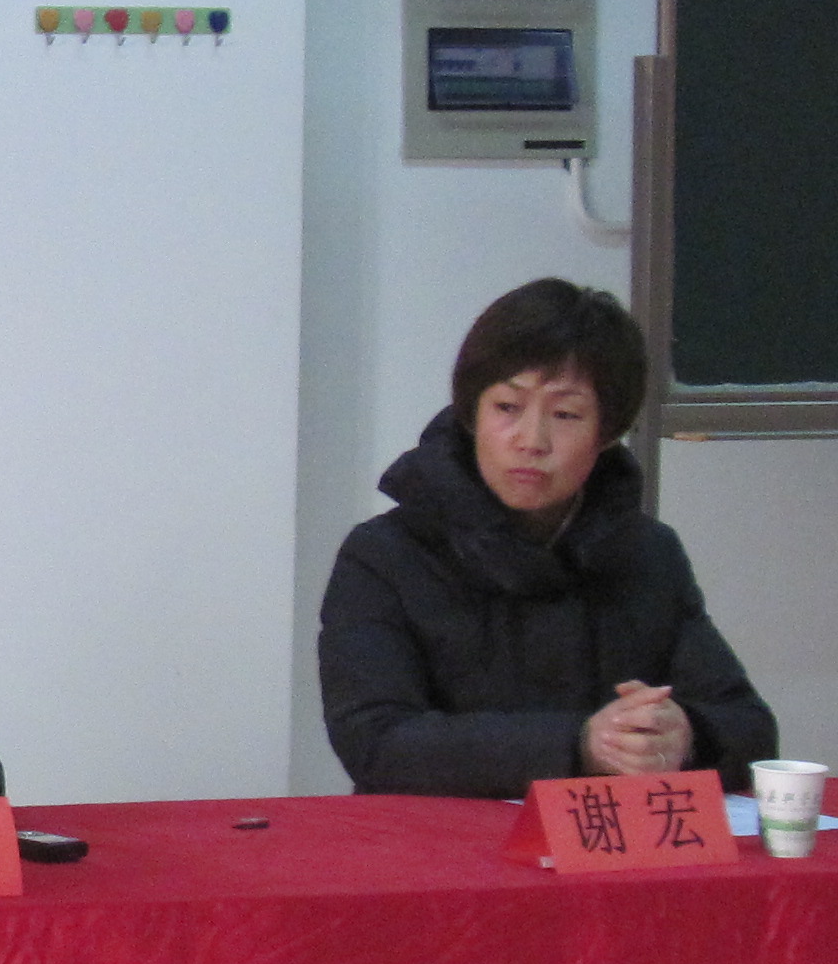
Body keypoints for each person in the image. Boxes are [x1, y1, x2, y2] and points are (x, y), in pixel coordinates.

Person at [320, 277, 777, 797]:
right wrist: (580, 745)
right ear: (471, 416)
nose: (531, 440)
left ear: (607, 433)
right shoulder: (384, 554)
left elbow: (751, 729)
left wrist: (686, 737)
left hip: (604, 842)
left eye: (565, 415)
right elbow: (376, 742)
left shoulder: (647, 553)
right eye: (506, 408)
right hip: (438, 840)